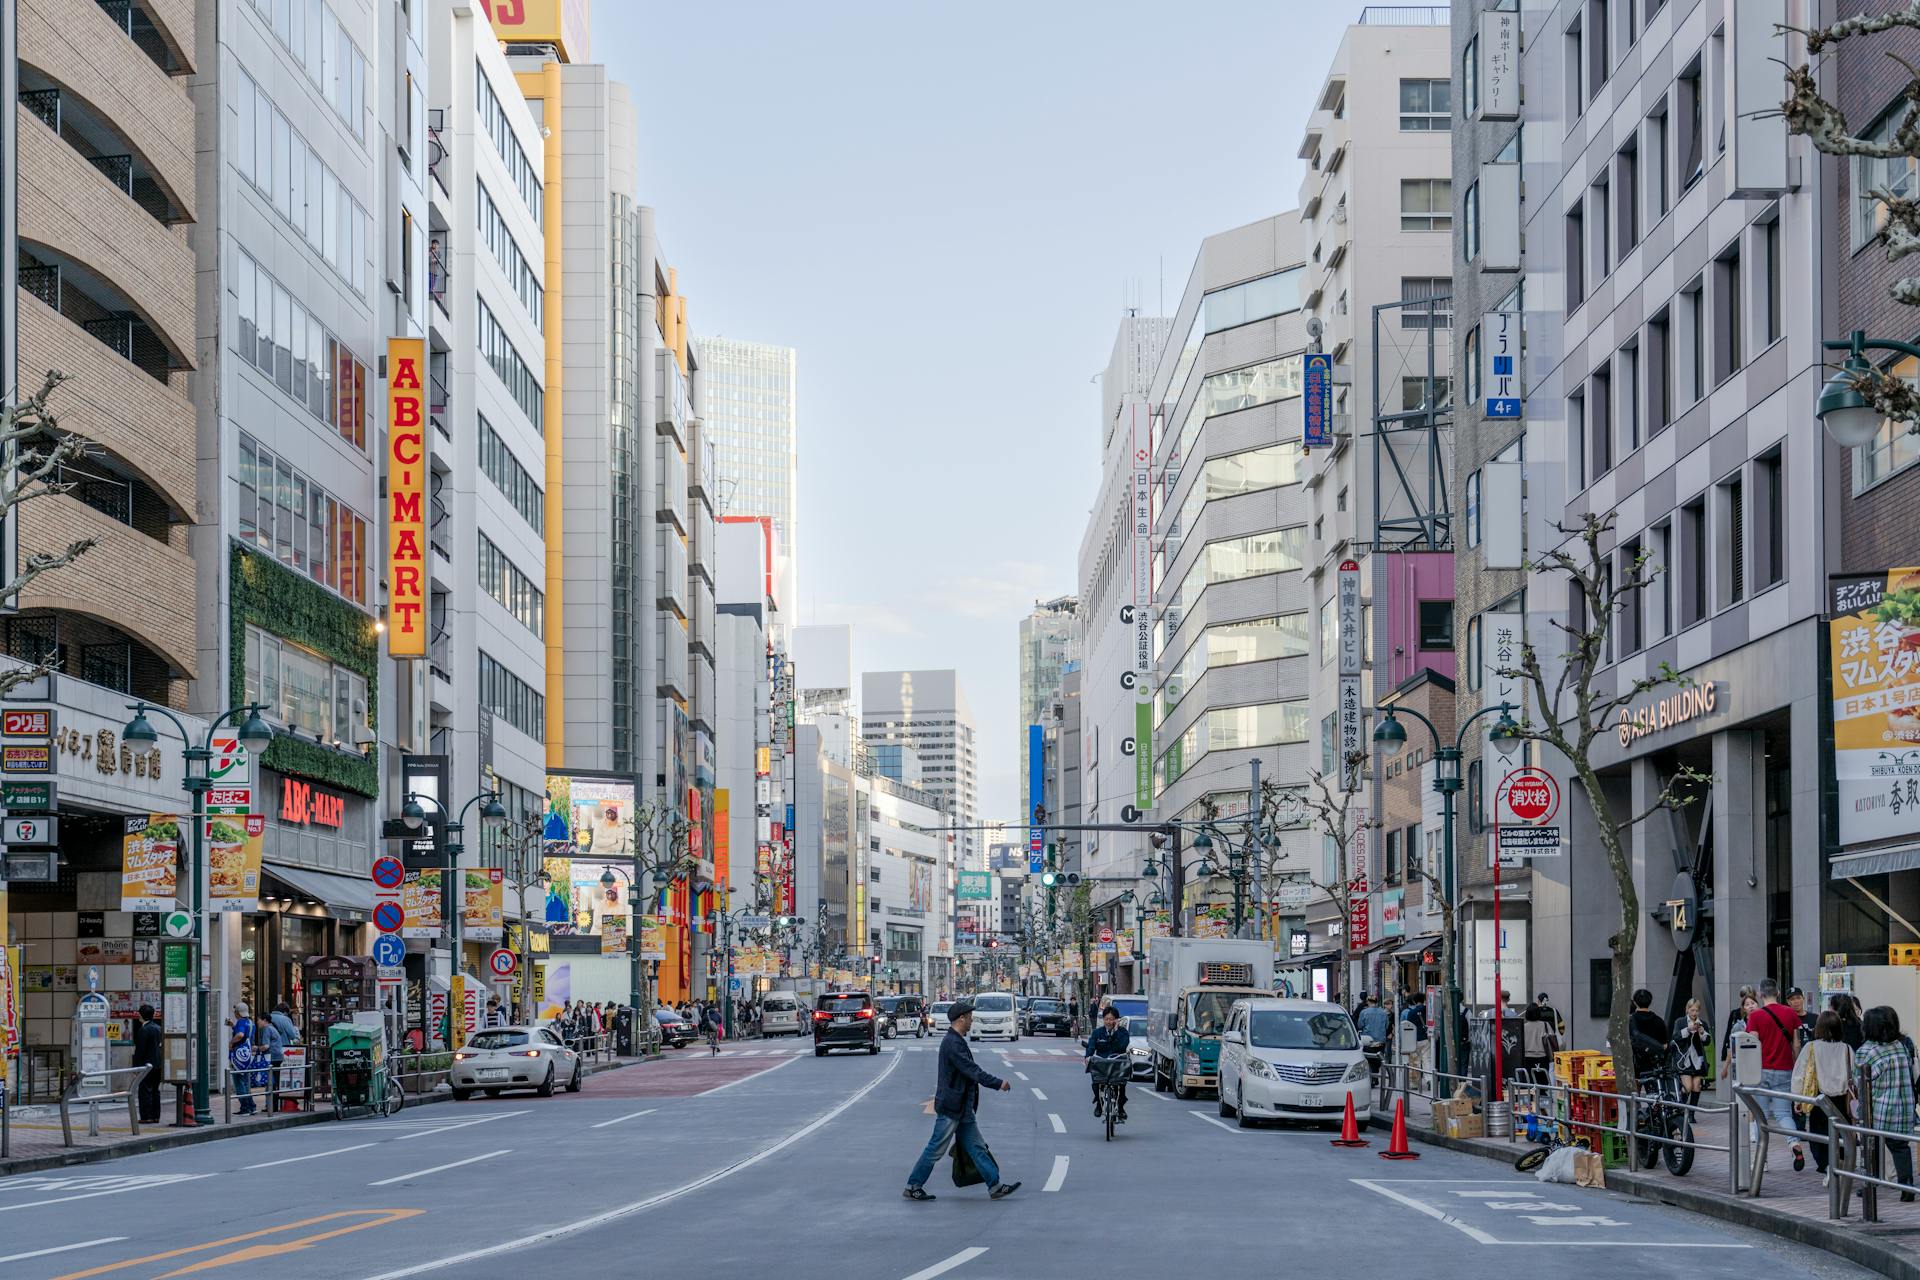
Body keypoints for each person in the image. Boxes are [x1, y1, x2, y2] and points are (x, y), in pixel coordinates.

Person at [903, 1000, 1020, 1202]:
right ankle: (913, 1185)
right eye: (970, 1017)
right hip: (951, 1106)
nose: (972, 1021)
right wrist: (998, 1083)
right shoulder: (952, 1043)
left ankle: (995, 1186)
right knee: (935, 1149)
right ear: (961, 1018)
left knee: (977, 1147)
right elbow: (972, 1071)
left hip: (962, 1107)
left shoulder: (956, 1040)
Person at [1746, 978, 1808, 1171]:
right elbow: (1796, 1043)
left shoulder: (1755, 1016)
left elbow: (1752, 1045)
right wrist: (1796, 1064)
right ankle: (1793, 1144)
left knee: (1761, 1116)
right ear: (1778, 993)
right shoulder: (1790, 1013)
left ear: (1760, 994)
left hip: (1762, 1070)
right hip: (1785, 1069)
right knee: (1783, 1114)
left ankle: (1761, 1161)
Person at [1858, 1005, 1917, 1201]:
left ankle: (1870, 1183)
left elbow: (1861, 1081)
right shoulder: (1901, 1046)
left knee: (1871, 1146)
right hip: (1904, 1105)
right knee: (1900, 1147)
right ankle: (1906, 1185)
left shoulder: (1869, 1052)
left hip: (1878, 1108)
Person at [1793, 1010, 1856, 1180]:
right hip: (1843, 1100)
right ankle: (1839, 1166)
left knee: (1819, 1136)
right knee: (1842, 1134)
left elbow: (1800, 1074)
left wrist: (1797, 1098)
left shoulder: (1811, 1047)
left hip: (1819, 1099)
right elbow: (1854, 1075)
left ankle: (1828, 1167)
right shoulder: (1847, 1048)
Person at [1085, 1005, 1130, 1122]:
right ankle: (1099, 1105)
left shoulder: (1123, 1032)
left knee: (1121, 1084)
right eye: (1106, 1019)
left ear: (1116, 1020)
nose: (1109, 1022)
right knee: (1095, 1081)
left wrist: (1115, 1032)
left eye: (1111, 1019)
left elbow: (1122, 1046)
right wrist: (1088, 1056)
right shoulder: (1097, 1033)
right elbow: (1091, 1046)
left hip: (1117, 1064)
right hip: (1101, 1064)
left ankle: (1120, 1108)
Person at [1672, 997, 1711, 1101]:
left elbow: (1707, 1042)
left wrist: (1702, 1032)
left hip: (1697, 1060)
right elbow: (1675, 1037)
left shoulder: (1703, 1023)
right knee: (1688, 1087)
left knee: (1697, 1086)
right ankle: (1681, 1110)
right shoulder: (1680, 1022)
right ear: (1687, 1010)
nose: (1694, 1013)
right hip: (1684, 1060)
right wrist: (1688, 1030)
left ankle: (1691, 1115)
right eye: (1692, 1010)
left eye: (1697, 1010)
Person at [132, 1003, 164, 1123]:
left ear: (141, 1015)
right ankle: (156, 1116)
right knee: (155, 1090)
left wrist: (136, 1068)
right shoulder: (158, 1028)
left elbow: (140, 1051)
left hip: (146, 1065)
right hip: (158, 1064)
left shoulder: (144, 1030)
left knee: (145, 1090)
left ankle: (147, 1116)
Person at [1627, 988, 1670, 1076]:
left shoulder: (1630, 1021)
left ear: (1635, 1002)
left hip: (1635, 1063)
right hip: (1654, 1063)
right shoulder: (1659, 1021)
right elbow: (1665, 1045)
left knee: (1635, 1088)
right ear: (1650, 1002)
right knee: (1654, 1088)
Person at [228, 1002, 258, 1116]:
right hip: (247, 1055)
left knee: (239, 1082)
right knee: (245, 1082)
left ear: (238, 1013)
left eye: (235, 1012)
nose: (235, 1014)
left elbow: (240, 1035)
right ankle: (251, 1106)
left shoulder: (240, 1022)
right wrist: (232, 1026)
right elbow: (246, 1036)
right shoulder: (251, 1023)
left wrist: (231, 1042)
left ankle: (245, 1107)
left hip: (239, 1056)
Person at [1723, 984, 1759, 1063]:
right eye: (1744, 996)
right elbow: (1729, 1033)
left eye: (1750, 996)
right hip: (1740, 1053)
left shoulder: (1760, 1014)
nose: (1747, 998)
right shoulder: (1735, 1013)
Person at [1521, 1001, 1556, 1077]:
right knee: (1543, 1084)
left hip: (1527, 1058)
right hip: (1543, 1057)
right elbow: (1552, 1039)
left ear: (1527, 1014)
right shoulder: (1545, 1025)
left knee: (1529, 1084)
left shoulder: (1523, 1027)